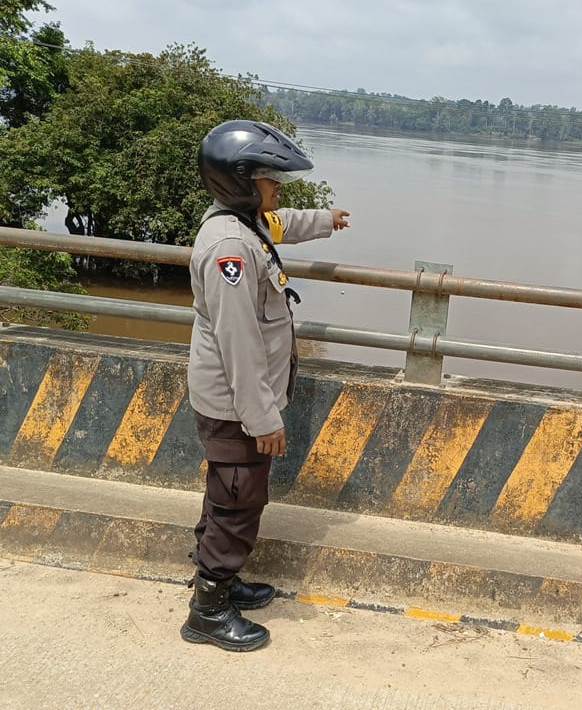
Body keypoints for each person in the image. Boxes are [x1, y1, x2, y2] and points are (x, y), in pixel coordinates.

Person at [181, 120, 350, 651]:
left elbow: (279, 223)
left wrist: (326, 220)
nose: (277, 187)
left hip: (237, 401)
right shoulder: (230, 247)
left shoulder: (244, 223)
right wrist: (262, 418)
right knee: (238, 502)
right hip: (236, 406)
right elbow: (240, 342)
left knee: (228, 494)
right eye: (269, 178)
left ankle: (220, 581)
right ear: (240, 182)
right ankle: (208, 611)